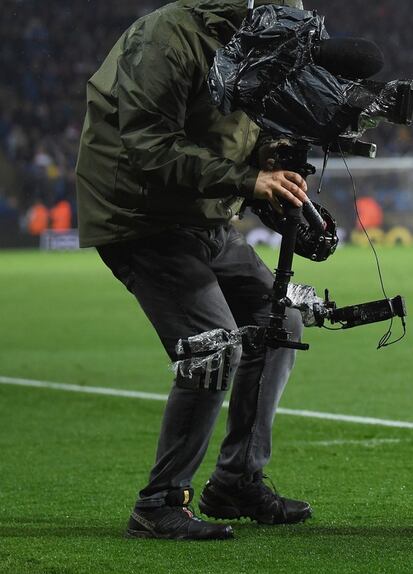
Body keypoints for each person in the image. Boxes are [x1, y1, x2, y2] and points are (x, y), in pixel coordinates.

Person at [76, 0, 314, 540]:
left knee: (280, 323)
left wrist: (271, 157)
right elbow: (147, 146)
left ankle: (235, 481)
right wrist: (246, 181)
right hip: (139, 216)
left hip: (202, 214)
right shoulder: (166, 39)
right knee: (213, 345)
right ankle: (158, 502)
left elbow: (238, 131)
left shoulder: (259, 34)